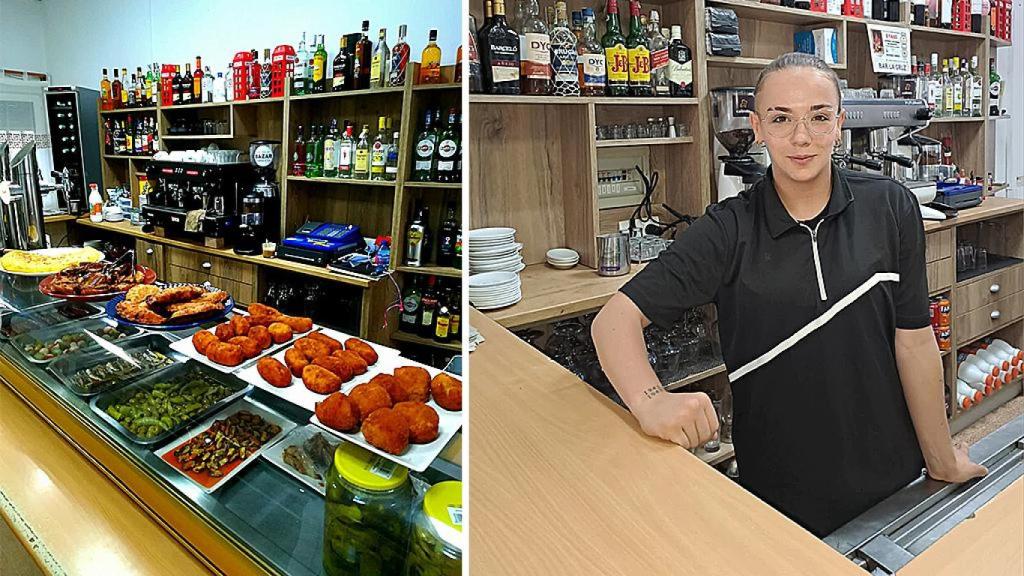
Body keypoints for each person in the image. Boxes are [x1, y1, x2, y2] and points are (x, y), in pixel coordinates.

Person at [590, 52, 987, 538]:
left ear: (840, 124)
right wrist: (651, 401)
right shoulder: (726, 229)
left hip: (892, 473)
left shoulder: (890, 206)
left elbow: (915, 342)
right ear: (757, 127)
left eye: (819, 117)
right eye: (781, 119)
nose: (801, 138)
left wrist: (941, 457)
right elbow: (613, 321)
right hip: (778, 493)